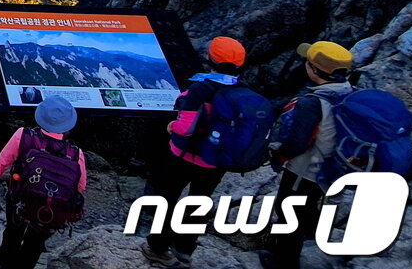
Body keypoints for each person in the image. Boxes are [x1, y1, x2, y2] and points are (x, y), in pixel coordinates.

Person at [141, 36, 253, 268]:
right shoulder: (242, 90)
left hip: (186, 156)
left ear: (209, 58)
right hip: (216, 161)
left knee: (168, 198)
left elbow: (185, 127)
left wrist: (171, 127)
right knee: (199, 201)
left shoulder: (201, 89)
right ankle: (184, 248)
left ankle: (158, 248)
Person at [260, 41, 355, 269]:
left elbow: (298, 142)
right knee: (308, 206)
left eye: (308, 62)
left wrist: (278, 157)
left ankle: (284, 261)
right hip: (333, 167)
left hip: (305, 171)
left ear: (314, 70)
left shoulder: (313, 103)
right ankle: (310, 237)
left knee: (288, 211)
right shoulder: (349, 94)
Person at [0, 96, 87, 269]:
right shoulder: (75, 153)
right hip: (51, 208)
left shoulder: (24, 135)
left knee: (13, 233)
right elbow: (80, 186)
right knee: (34, 244)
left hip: (20, 197)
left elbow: (0, 167)